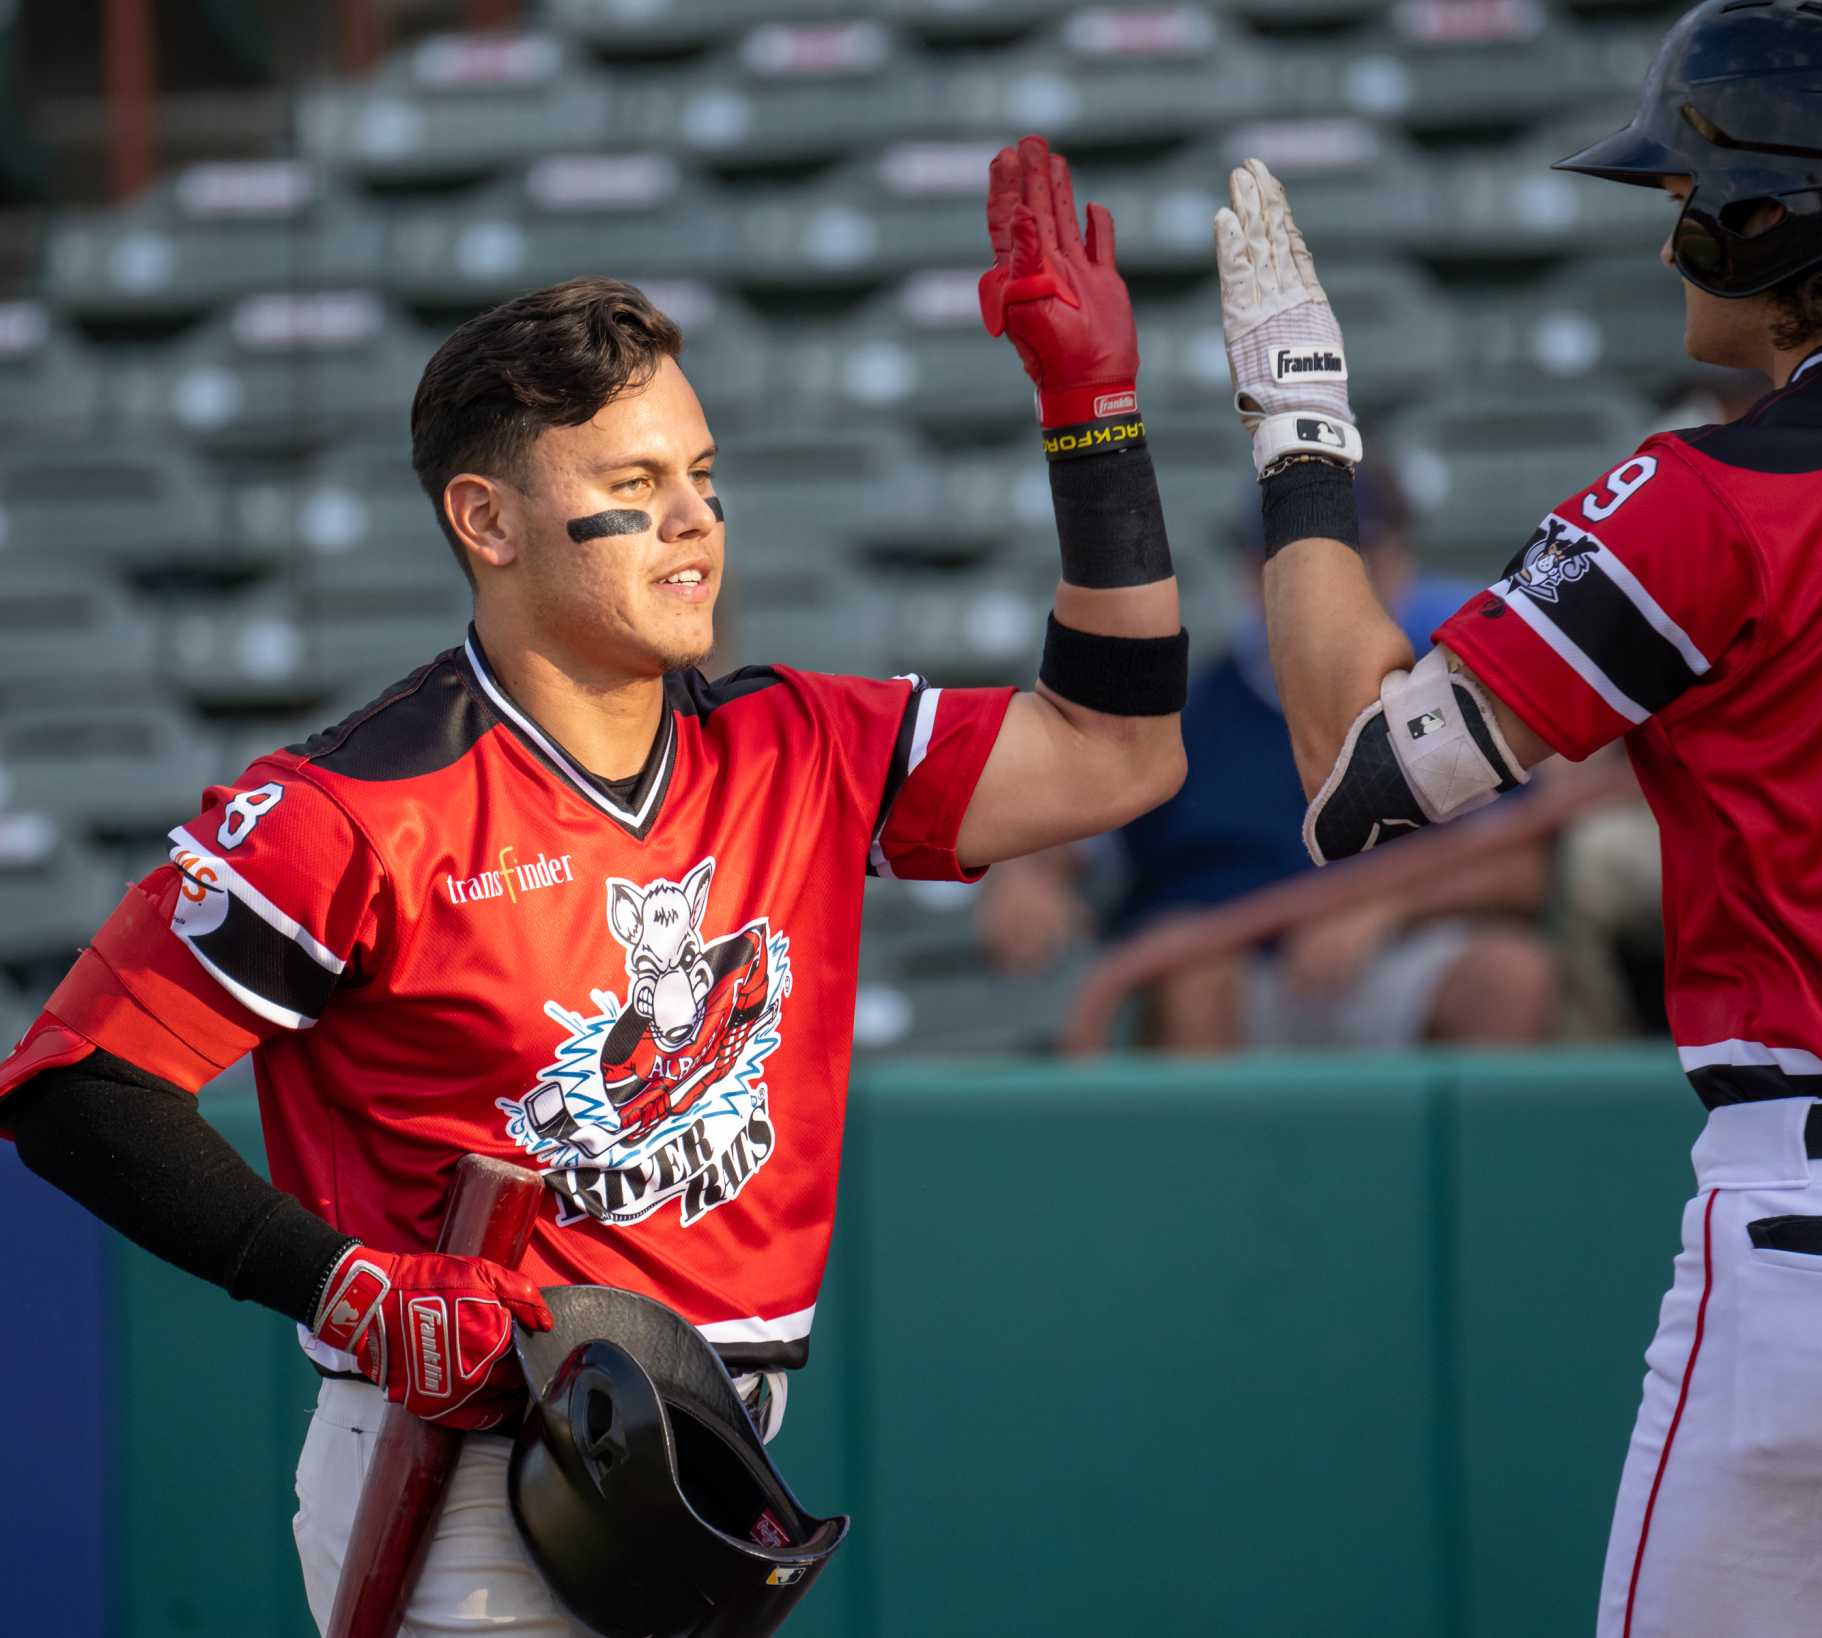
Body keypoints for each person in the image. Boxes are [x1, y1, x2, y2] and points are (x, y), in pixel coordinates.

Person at [0, 134, 1186, 1635]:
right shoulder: (349, 809)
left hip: (709, 1449)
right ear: (486, 522)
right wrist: (348, 1281)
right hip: (480, 1464)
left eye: (702, 475)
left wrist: (1091, 415)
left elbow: (1118, 752)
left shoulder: (804, 743)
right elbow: (73, 1085)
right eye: (634, 482)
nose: (695, 518)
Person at [1212, 2, 1822, 1632]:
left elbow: (1353, 773)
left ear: (1779, 221)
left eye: (1691, 194)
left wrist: (1297, 427)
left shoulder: (1712, 497)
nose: (1672, 232)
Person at [981, 467, 1559, 1052]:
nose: (1324, 586)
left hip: (1397, 954)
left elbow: (1521, 868)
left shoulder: (1450, 695)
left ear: (1398, 563)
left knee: (1508, 977)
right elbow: (1072, 817)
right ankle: (1222, 1147)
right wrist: (1026, 878)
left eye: (1356, 558)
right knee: (1191, 971)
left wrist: (1390, 905)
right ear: (1250, 573)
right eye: (1286, 560)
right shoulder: (1192, 706)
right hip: (1227, 967)